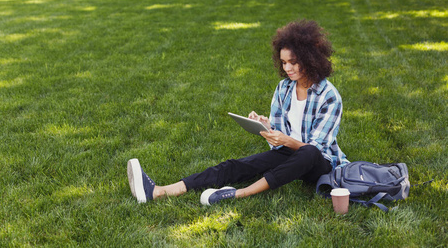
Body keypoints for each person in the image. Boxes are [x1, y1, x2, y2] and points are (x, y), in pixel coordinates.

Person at [127, 19, 349, 205]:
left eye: (293, 62)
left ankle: (237, 193)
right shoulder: (284, 88)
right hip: (289, 152)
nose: (287, 69)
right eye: (283, 63)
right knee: (237, 166)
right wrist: (267, 128)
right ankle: (159, 191)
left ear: (311, 59)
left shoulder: (329, 96)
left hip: (321, 163)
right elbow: (279, 141)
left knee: (307, 153)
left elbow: (315, 149)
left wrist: (284, 140)